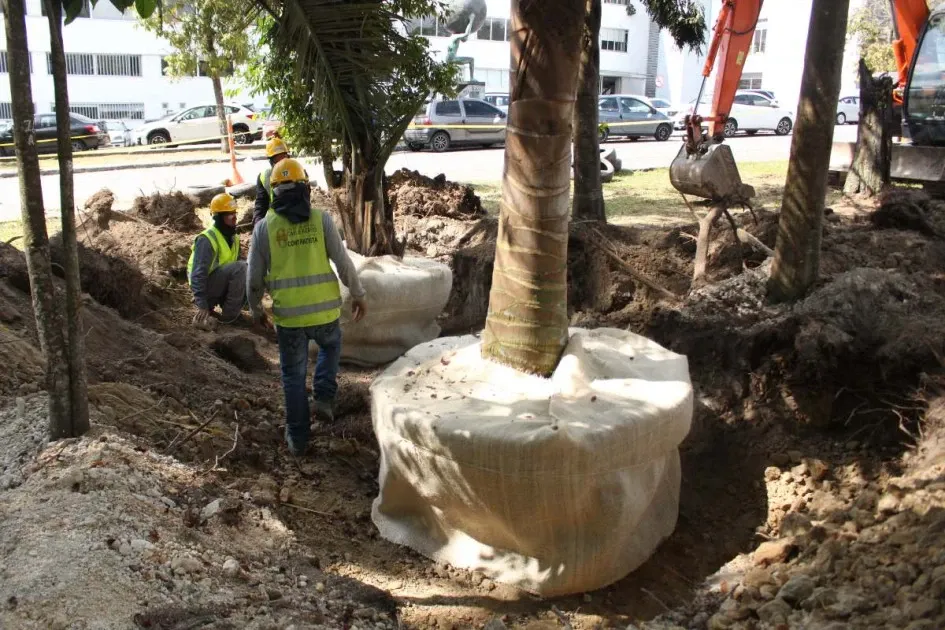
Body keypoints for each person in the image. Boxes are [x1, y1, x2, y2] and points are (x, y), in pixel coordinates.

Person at [246, 158, 368, 455]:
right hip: (325, 313)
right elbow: (343, 261)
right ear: (305, 188)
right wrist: (359, 293)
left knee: (293, 377)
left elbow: (253, 277)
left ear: (274, 192)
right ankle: (324, 398)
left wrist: (256, 311)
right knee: (329, 347)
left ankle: (298, 439)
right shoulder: (321, 220)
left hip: (289, 320)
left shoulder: (264, 229)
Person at [187, 193, 247, 329]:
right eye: (229, 214)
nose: (234, 217)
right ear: (218, 217)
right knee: (242, 267)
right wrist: (202, 303)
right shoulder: (207, 239)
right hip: (205, 288)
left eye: (234, 213)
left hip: (218, 286)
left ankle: (233, 310)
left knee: (249, 269)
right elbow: (198, 274)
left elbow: (237, 277)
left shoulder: (234, 238)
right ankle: (230, 318)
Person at [253, 137, 291, 226]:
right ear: (271, 161)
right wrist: (258, 223)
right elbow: (261, 204)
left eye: (284, 157)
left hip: (297, 220)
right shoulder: (265, 176)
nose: (281, 162)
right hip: (275, 222)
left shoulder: (298, 172)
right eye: (278, 159)